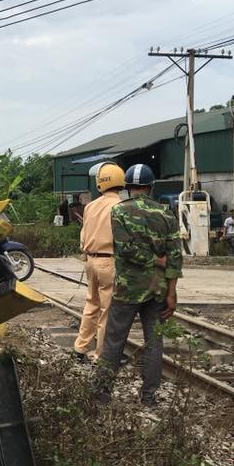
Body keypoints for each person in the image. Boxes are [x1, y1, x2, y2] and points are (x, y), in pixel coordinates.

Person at [92, 164, 182, 406]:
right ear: (150, 187)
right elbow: (175, 257)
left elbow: (125, 249)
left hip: (127, 289)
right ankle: (149, 397)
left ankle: (101, 393)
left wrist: (150, 259)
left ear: (128, 187)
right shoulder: (166, 214)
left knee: (114, 340)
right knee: (154, 342)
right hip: (158, 290)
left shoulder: (119, 212)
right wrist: (172, 293)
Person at [72, 162, 125, 361]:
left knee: (91, 304)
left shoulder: (90, 207)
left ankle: (80, 347)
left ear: (100, 183)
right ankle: (101, 355)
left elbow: (83, 236)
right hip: (109, 261)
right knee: (107, 310)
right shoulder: (120, 207)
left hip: (90, 260)